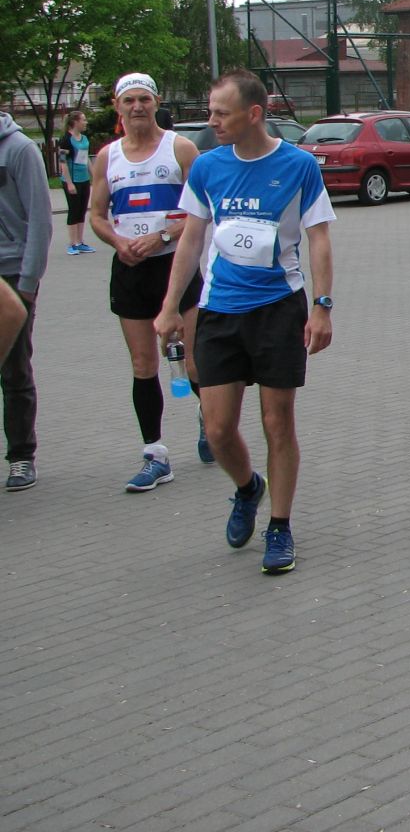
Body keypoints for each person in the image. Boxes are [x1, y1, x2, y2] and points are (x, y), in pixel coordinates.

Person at [155, 70, 336, 573]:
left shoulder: (298, 165)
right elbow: (192, 238)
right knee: (217, 430)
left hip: (279, 309)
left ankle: (280, 525)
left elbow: (319, 237)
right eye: (211, 112)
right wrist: (170, 306)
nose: (211, 122)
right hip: (219, 310)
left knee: (278, 422)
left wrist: (322, 306)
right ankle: (247, 487)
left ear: (253, 114)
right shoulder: (208, 167)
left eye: (221, 113)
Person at [88, 74, 208, 490]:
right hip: (131, 269)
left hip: (176, 265)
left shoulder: (180, 148)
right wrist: (117, 241)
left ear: (157, 102)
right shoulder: (107, 157)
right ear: (117, 106)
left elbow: (202, 209)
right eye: (129, 101)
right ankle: (155, 455)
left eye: (144, 99)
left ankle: (210, 420)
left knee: (193, 361)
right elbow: (96, 215)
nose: (137, 107)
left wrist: (163, 236)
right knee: (143, 364)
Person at [1, 110, 51, 492]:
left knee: (14, 369)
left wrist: (29, 282)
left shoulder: (19, 148)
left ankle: (21, 455)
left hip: (12, 273)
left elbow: (40, 218)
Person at [56, 109, 95, 255]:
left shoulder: (84, 139)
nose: (86, 122)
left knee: (82, 210)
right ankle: (72, 243)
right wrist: (69, 183)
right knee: (74, 210)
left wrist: (94, 176)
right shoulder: (66, 140)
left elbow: (86, 159)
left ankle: (80, 241)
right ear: (75, 122)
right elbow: (63, 162)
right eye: (83, 120)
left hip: (84, 179)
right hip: (72, 180)